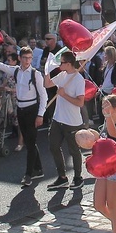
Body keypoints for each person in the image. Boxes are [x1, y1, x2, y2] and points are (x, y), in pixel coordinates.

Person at [0, 44, 47, 186]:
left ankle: (28, 174)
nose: (27, 61)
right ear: (20, 58)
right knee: (28, 141)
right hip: (20, 109)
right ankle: (39, 169)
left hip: (32, 109)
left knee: (30, 143)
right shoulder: (15, 71)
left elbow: (43, 95)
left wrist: (40, 115)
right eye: (25, 58)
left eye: (30, 58)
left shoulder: (35, 74)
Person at [76, 94, 116, 233]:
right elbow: (96, 140)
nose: (104, 109)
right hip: (103, 169)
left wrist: (107, 117)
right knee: (99, 204)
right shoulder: (104, 126)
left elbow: (114, 133)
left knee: (112, 204)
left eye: (107, 106)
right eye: (102, 107)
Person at [44, 51, 86, 190]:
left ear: (68, 64)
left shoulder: (79, 79)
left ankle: (78, 177)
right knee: (53, 146)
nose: (59, 64)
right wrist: (46, 71)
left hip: (72, 121)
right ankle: (62, 177)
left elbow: (80, 102)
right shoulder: (62, 75)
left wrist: (64, 94)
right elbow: (47, 84)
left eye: (61, 62)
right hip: (58, 119)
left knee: (74, 151)